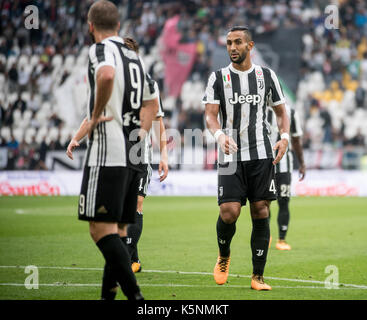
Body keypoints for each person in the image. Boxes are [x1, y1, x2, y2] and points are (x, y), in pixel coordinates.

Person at [74, 0, 159, 300]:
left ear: (91, 25)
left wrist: (96, 114)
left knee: (100, 230)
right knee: (120, 232)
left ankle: (135, 296)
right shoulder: (134, 57)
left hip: (106, 151)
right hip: (131, 152)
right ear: (119, 25)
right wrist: (141, 134)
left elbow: (107, 76)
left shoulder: (101, 50)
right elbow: (152, 102)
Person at [67, 38, 169, 275]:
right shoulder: (110, 81)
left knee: (137, 204)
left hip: (139, 155)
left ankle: (129, 260)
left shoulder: (146, 82)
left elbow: (158, 121)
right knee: (119, 212)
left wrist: (163, 154)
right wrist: (76, 138)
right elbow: (92, 114)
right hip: (114, 154)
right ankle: (131, 258)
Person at [203, 26, 290, 291]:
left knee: (260, 210)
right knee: (229, 213)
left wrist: (284, 137)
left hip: (262, 153)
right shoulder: (218, 78)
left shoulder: (266, 76)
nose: (232, 47)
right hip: (230, 155)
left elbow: (281, 112)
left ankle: (258, 276)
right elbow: (210, 115)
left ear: (249, 46)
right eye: (229, 42)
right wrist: (219, 135)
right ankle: (224, 256)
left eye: (238, 42)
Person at [266, 104, 305, 250]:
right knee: (263, 201)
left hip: (284, 165)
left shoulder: (291, 112)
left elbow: (296, 140)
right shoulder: (259, 108)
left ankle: (281, 240)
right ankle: (265, 235)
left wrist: (301, 163)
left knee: (283, 201)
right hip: (263, 164)